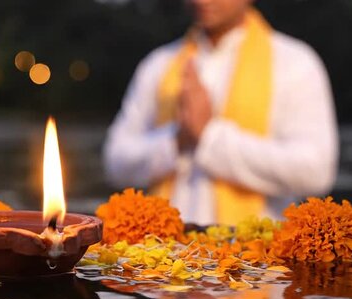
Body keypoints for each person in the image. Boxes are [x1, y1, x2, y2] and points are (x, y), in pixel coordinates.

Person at [103, 0, 338, 225]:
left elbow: (315, 172)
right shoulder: (158, 64)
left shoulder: (294, 63)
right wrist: (178, 139)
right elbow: (116, 161)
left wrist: (209, 136)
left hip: (258, 259)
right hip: (163, 255)